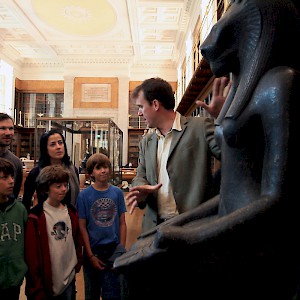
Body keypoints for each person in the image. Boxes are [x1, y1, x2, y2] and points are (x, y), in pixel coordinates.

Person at [126, 76, 229, 233]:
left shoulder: (199, 127)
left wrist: (223, 120)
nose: (139, 113)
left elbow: (231, 155)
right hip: (154, 229)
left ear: (155, 104)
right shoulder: (146, 141)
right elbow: (141, 174)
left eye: (141, 106)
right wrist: (139, 188)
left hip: (192, 227)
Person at [24, 164, 83, 300]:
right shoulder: (36, 217)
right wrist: (36, 285)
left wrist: (77, 263)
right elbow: (32, 255)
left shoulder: (72, 212)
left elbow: (76, 241)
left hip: (68, 277)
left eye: (65, 185)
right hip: (46, 281)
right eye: (58, 186)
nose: (63, 189)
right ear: (46, 189)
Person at [76, 153, 127, 300]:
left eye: (105, 167)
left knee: (113, 293)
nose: (103, 171)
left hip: (113, 249)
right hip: (93, 251)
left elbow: (122, 222)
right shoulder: (84, 196)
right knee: (91, 293)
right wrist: (90, 255)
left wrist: (121, 249)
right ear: (91, 173)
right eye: (98, 168)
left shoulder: (117, 193)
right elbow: (82, 226)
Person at [22, 128, 80, 213]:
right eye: (53, 144)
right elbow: (26, 202)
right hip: (44, 219)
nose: (58, 147)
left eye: (60, 143)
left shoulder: (72, 170)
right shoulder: (36, 173)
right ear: (45, 149)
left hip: (69, 218)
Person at [0, 157, 27, 300]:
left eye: (12, 176)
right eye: (4, 178)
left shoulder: (20, 210)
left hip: (14, 278)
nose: (11, 181)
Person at [0, 113, 23, 199]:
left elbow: (13, 195)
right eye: (2, 128)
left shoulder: (16, 162)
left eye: (11, 128)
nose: (8, 133)